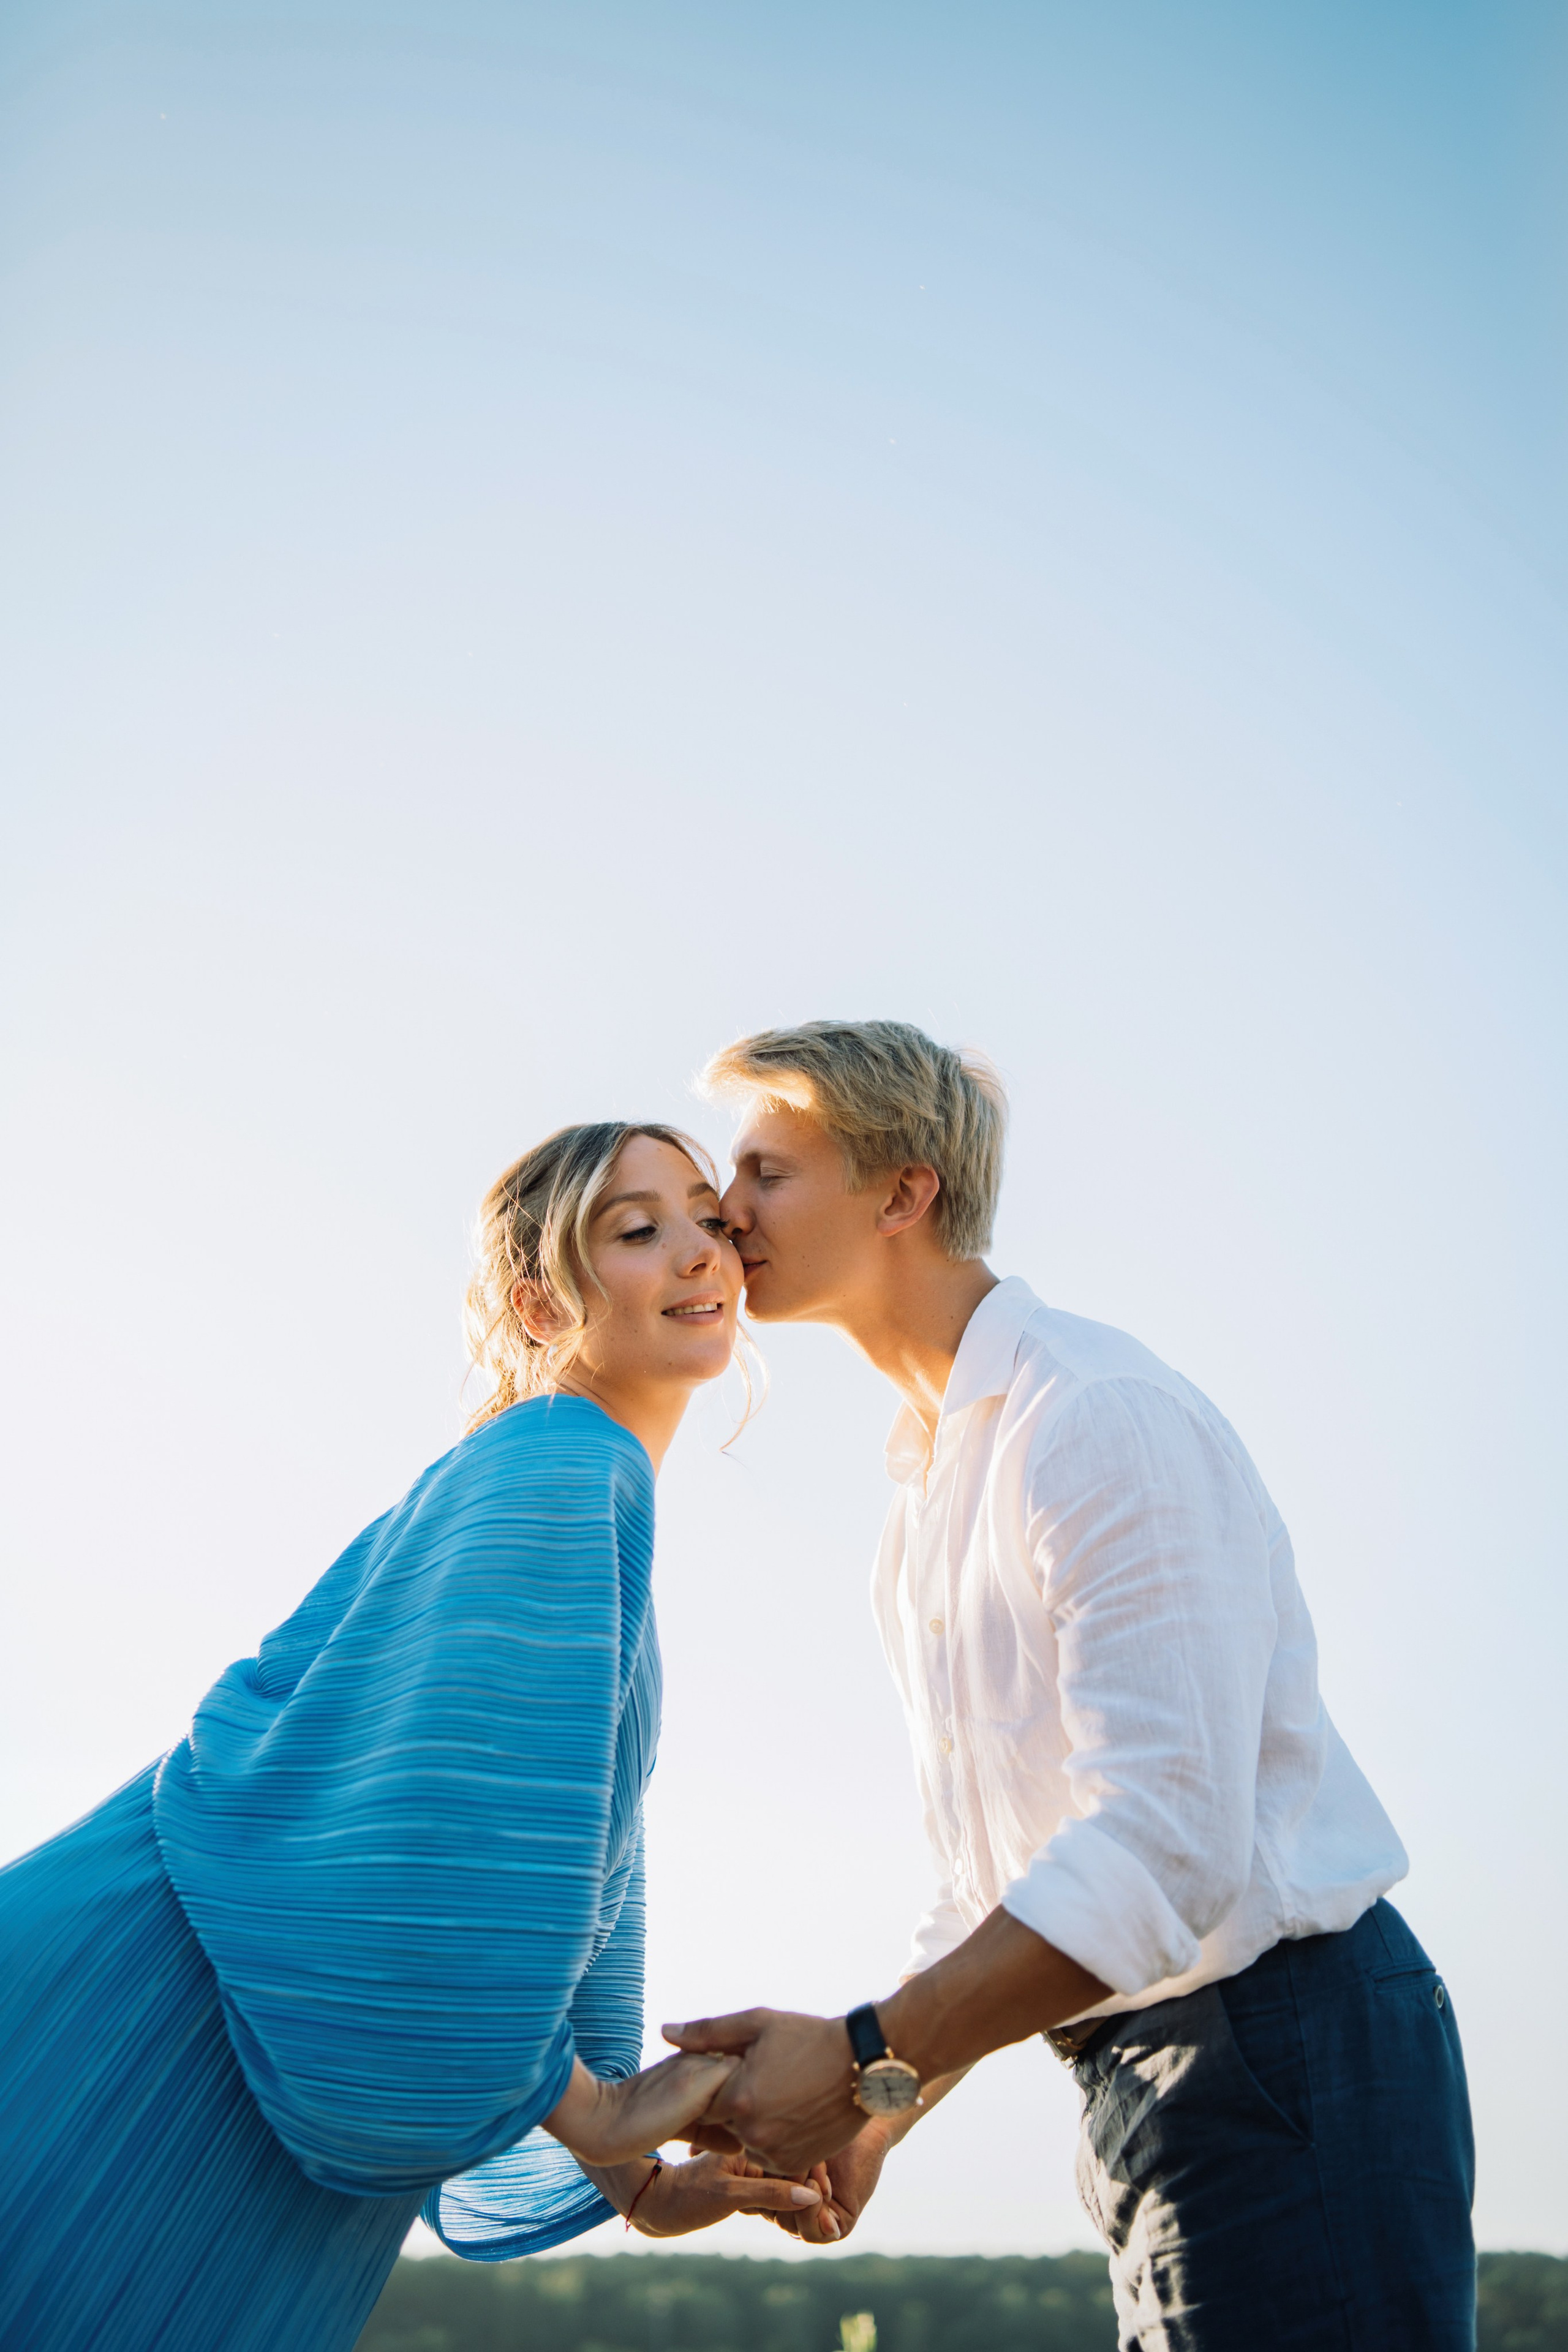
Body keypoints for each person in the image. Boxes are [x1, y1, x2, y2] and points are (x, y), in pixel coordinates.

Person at [666, 1022, 1476, 2351]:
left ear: (901, 1191)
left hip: (1279, 2050)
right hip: (1148, 2076)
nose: (722, 1210)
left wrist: (872, 2051)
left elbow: (1162, 1848)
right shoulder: (923, 1497)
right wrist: (878, 2104)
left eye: (764, 1172)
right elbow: (997, 1878)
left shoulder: (1095, 1417)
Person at [0, 1121, 822, 2352]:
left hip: (240, 2022)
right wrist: (595, 2113)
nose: (702, 1251)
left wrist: (627, 2171)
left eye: (707, 1215)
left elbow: (556, 1874)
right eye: (638, 1230)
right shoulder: (560, 1461)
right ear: (545, 1304)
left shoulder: (569, 1480)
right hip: (156, 2015)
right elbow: (435, 1851)